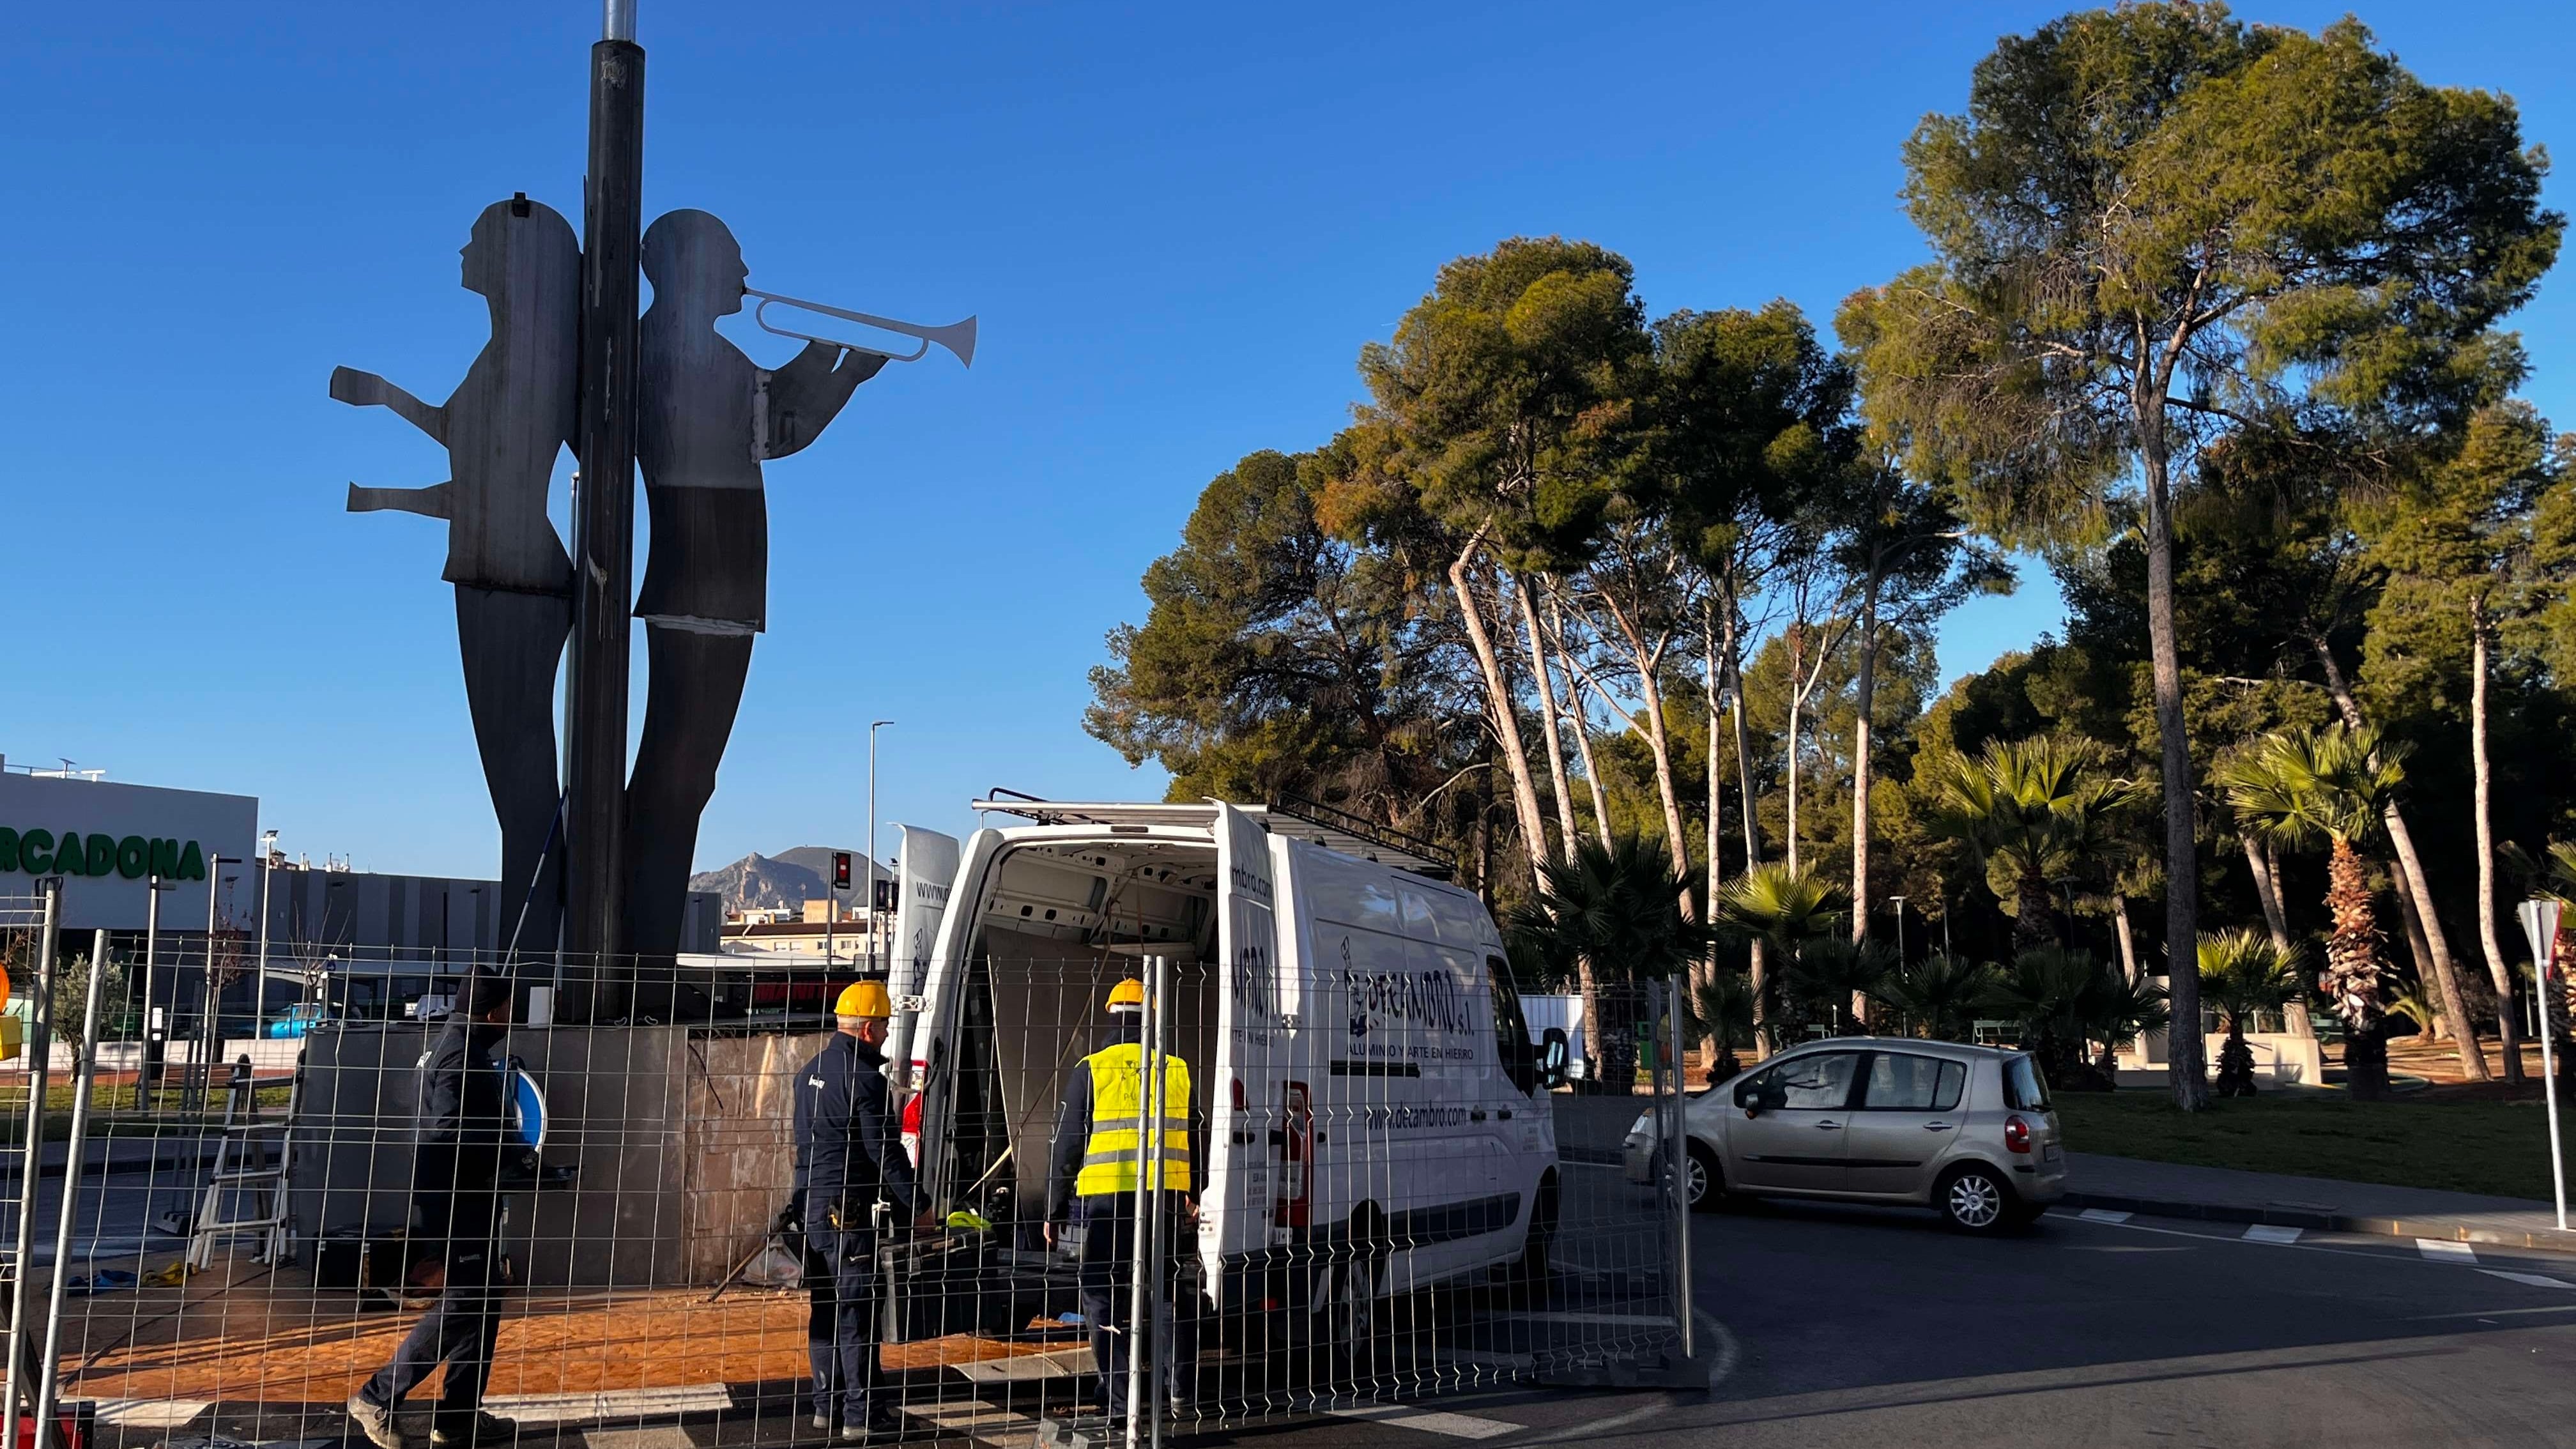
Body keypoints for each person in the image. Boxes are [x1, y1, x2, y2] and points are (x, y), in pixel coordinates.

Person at [623, 209, 882, 973]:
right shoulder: (677, 352)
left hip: (713, 586)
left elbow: (772, 418)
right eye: (732, 260)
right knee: (678, 775)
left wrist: (834, 366)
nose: (745, 274)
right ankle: (640, 957)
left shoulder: (698, 351)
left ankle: (642, 950)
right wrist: (837, 369)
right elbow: (776, 429)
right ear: (694, 268)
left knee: (682, 775)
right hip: (704, 585)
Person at [334, 196, 581, 957]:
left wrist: (388, 492)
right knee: (521, 793)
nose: (463, 251)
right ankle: (531, 958)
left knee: (524, 796)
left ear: (516, 261)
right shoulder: (514, 352)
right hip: (498, 573)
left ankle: (533, 964)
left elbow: (486, 492)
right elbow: (471, 459)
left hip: (511, 582)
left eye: (475, 241)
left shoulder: (532, 359)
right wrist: (387, 413)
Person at [348, 976, 534, 1449]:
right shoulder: (457, 1054)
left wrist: (521, 1161)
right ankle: (376, 1396)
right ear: (493, 1012)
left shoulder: (452, 1048)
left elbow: (476, 1124)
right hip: (459, 1198)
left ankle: (458, 1418)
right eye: (510, 1008)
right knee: (464, 1303)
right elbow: (449, 1130)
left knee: (484, 1300)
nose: (512, 1019)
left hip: (463, 1194)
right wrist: (500, 1160)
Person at [1046, 978, 1197, 1420]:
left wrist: (1054, 1209)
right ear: (1152, 1016)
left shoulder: (1092, 1068)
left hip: (1109, 1203)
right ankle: (1178, 1393)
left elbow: (1068, 1144)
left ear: (1110, 1014)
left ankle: (1120, 1401)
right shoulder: (1176, 1068)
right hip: (1164, 1200)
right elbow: (1193, 1135)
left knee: (1101, 1297)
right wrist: (1193, 1192)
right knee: (1168, 1293)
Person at [795, 980, 929, 1441]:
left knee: (825, 1309)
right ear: (869, 1028)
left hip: (812, 1208)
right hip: (848, 1213)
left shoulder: (808, 1073)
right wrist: (919, 1205)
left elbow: (803, 1151)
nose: (888, 1035)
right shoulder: (865, 1080)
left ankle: (824, 1406)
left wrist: (800, 1203)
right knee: (856, 1312)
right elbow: (885, 1153)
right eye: (886, 1026)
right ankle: (862, 1415)